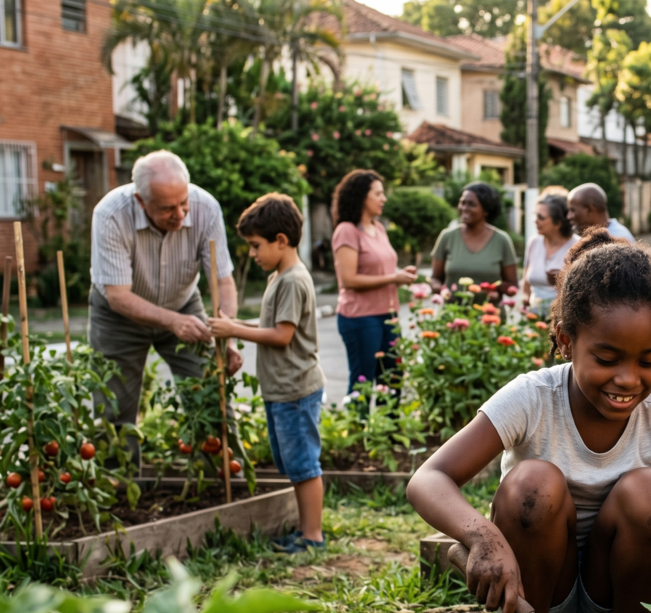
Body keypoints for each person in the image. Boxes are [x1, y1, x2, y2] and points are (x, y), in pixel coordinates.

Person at [407, 232, 651, 613]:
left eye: (649, 360)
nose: (628, 379)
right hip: (542, 584)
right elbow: (429, 478)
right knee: (533, 483)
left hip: (617, 587)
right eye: (607, 358)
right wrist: (482, 538)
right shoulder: (532, 397)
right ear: (566, 340)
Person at [89, 150, 242, 461]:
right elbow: (118, 295)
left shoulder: (206, 208)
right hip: (119, 317)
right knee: (115, 406)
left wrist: (227, 336)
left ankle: (222, 477)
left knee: (209, 395)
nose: (181, 214)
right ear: (140, 201)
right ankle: (122, 485)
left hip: (184, 304)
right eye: (167, 208)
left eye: (183, 202)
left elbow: (222, 282)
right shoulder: (110, 214)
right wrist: (172, 322)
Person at [207, 194, 326, 553]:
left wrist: (233, 332)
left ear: (280, 241)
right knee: (292, 461)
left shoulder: (291, 281)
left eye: (256, 246)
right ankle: (306, 531)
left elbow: (281, 335)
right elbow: (268, 324)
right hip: (282, 390)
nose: (252, 253)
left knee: (304, 464)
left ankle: (313, 537)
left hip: (295, 390)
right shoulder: (279, 276)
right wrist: (235, 323)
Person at [330, 170, 418, 396]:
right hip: (361, 318)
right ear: (361, 196)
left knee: (392, 381)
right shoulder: (346, 231)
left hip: (388, 316)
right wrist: (393, 278)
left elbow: (380, 267)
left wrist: (400, 274)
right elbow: (349, 280)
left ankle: (387, 431)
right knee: (363, 384)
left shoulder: (378, 228)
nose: (384, 198)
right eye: (378, 193)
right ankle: (358, 429)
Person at [430, 181, 518, 292]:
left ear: (486, 210)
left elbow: (512, 284)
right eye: (462, 203)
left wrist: (496, 290)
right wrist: (439, 289)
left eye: (471, 204)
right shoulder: (447, 236)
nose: (464, 208)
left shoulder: (501, 240)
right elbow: (435, 278)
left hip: (489, 308)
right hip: (452, 308)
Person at [522, 194, 578, 317]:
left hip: (563, 319)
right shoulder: (534, 243)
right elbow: (526, 281)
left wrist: (563, 279)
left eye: (540, 217)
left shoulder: (578, 246)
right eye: (535, 215)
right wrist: (525, 300)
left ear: (558, 223)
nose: (535, 220)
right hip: (534, 318)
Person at [567, 183, 635, 242]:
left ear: (590, 209)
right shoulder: (592, 238)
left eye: (572, 210)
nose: (569, 216)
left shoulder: (618, 240)